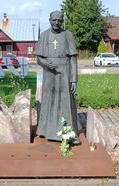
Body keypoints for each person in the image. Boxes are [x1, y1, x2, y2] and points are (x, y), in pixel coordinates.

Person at [35, 10, 80, 142]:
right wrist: (46, 64)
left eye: (59, 20)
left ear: (62, 21)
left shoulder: (68, 35)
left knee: (65, 102)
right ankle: (46, 129)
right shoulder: (44, 35)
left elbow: (73, 59)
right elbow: (39, 58)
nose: (56, 23)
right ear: (50, 20)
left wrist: (73, 80)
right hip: (49, 74)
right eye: (54, 20)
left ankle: (67, 131)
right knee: (49, 101)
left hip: (65, 74)